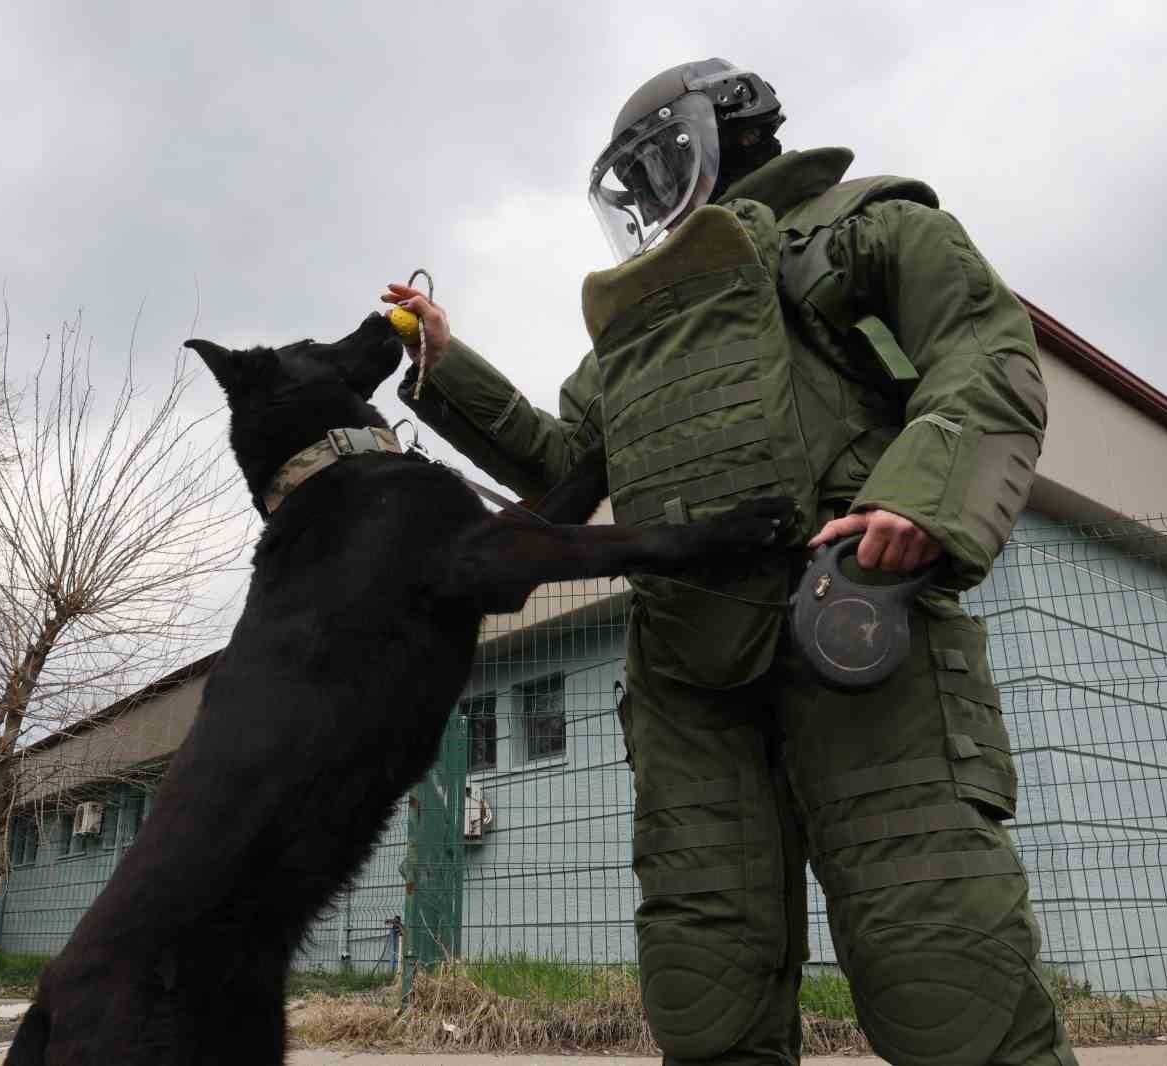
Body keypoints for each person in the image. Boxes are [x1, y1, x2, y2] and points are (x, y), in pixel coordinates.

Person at [384, 58, 1076, 1066]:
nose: (654, 201)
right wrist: (447, 362)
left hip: (851, 619)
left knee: (942, 965)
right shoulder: (632, 333)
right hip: (684, 669)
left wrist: (917, 496)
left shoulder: (860, 226)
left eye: (661, 167)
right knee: (706, 979)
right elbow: (563, 465)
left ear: (733, 127)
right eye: (636, 187)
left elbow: (985, 348)